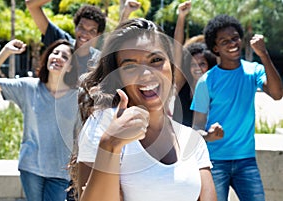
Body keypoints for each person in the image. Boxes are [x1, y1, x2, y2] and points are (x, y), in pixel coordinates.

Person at [74, 18, 217, 201]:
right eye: (131, 66)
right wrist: (110, 145)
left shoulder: (193, 140)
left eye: (156, 60)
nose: (147, 74)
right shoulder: (102, 127)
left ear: (171, 67)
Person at [191, 14, 283, 201]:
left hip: (246, 160)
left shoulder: (254, 70)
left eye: (235, 38)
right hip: (215, 161)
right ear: (215, 48)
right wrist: (209, 135)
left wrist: (264, 54)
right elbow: (196, 128)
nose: (232, 43)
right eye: (224, 41)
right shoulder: (206, 81)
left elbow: (277, 94)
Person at [0, 39, 81, 201]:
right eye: (54, 53)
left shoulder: (76, 97)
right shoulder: (28, 87)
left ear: (70, 66)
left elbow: (79, 135)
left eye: (64, 56)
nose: (57, 57)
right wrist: (6, 51)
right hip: (31, 168)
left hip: (61, 172)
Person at [25, 0, 106, 75]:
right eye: (81, 27)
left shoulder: (100, 62)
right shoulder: (62, 43)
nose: (85, 33)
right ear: (75, 27)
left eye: (92, 31)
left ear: (98, 35)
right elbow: (31, 6)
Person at [173, 42, 217, 126]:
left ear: (209, 65)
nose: (197, 68)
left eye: (202, 64)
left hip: (203, 137)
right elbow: (177, 48)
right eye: (193, 64)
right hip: (178, 137)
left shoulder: (214, 90)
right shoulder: (182, 83)